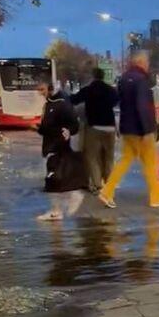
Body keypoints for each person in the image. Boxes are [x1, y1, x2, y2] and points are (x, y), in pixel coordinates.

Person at [99, 52, 159, 209]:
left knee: (125, 160)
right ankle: (156, 198)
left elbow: (120, 103)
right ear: (141, 63)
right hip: (141, 130)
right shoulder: (141, 81)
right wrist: (147, 131)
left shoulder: (124, 79)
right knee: (151, 164)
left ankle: (106, 191)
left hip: (127, 129)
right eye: (147, 62)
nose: (148, 65)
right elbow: (143, 107)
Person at [36, 82, 85, 221]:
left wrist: (69, 131)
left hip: (57, 146)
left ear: (50, 89)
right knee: (53, 180)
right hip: (50, 145)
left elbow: (74, 124)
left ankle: (74, 196)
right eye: (38, 90)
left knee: (53, 178)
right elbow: (47, 127)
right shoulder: (48, 104)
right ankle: (56, 211)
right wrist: (37, 129)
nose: (39, 93)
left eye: (42, 89)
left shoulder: (61, 104)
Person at [70, 68, 119, 194]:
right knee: (109, 157)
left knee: (92, 157)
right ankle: (109, 184)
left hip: (94, 127)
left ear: (93, 76)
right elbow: (116, 101)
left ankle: (97, 185)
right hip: (110, 127)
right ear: (103, 77)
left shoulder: (89, 89)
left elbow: (74, 100)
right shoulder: (110, 90)